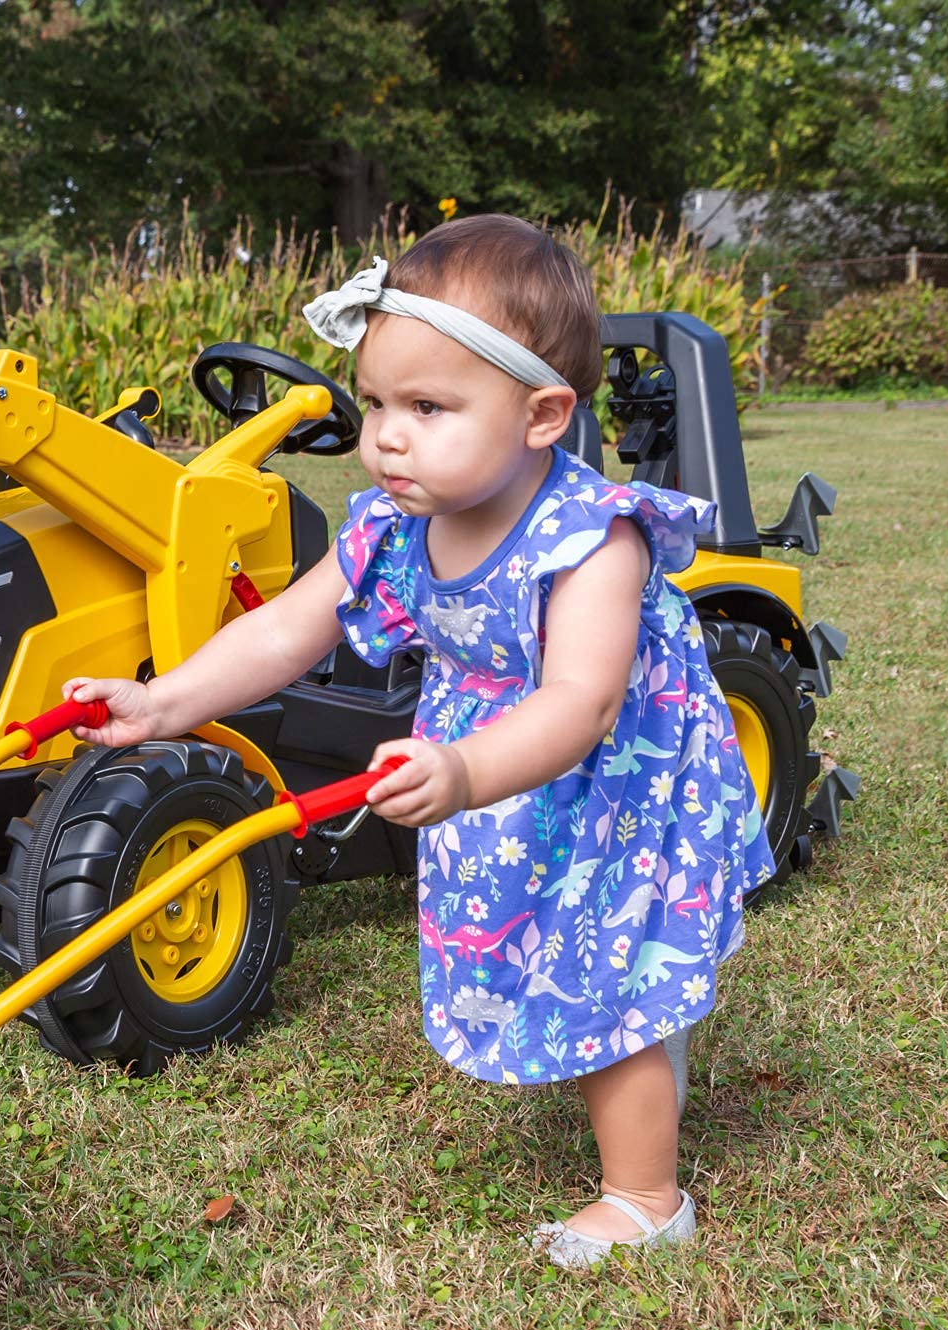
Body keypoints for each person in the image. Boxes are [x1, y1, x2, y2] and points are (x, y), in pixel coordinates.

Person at [61, 214, 773, 1268]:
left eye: (428, 408)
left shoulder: (590, 540)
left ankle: (643, 1197)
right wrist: (164, 701)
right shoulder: (392, 524)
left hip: (613, 781)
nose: (386, 435)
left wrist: (464, 768)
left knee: (607, 978)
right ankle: (641, 1088)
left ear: (541, 415)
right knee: (559, 961)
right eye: (377, 404)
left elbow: (577, 703)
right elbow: (283, 628)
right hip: (490, 771)